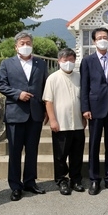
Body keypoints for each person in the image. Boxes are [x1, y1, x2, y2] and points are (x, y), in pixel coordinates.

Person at [0, 31, 48, 201]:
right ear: (16, 46)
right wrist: (18, 94)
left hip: (35, 114)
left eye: (28, 43)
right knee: (15, 152)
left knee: (32, 151)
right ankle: (15, 186)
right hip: (15, 114)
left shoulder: (41, 64)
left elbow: (46, 86)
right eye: (22, 43)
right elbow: (1, 84)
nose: (25, 46)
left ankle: (30, 182)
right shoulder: (7, 63)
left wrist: (47, 108)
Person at [80, 27, 108, 195]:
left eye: (105, 37)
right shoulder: (87, 61)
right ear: (94, 41)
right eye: (99, 37)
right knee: (94, 145)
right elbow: (84, 86)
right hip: (95, 108)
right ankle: (94, 180)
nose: (103, 40)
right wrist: (85, 108)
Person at [42, 48, 86, 196]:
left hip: (78, 124)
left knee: (77, 154)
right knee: (60, 156)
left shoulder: (80, 77)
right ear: (59, 61)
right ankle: (61, 180)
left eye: (71, 60)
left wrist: (84, 118)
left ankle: (76, 180)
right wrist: (52, 120)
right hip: (61, 124)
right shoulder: (52, 78)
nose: (68, 63)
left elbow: (84, 99)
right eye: (65, 60)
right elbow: (48, 101)